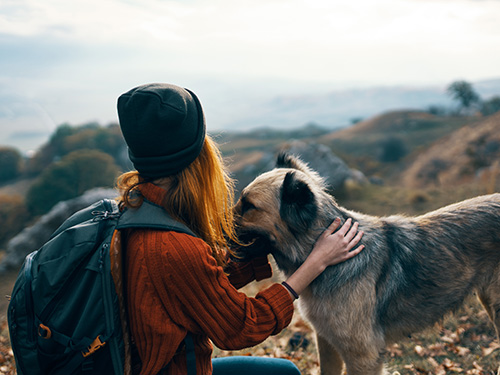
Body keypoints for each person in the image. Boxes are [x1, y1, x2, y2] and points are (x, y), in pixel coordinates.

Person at [115, 83, 365, 375]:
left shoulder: (134, 211)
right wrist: (313, 265)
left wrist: (264, 244)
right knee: (286, 374)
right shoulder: (172, 245)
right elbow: (242, 327)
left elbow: (201, 285)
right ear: (198, 157)